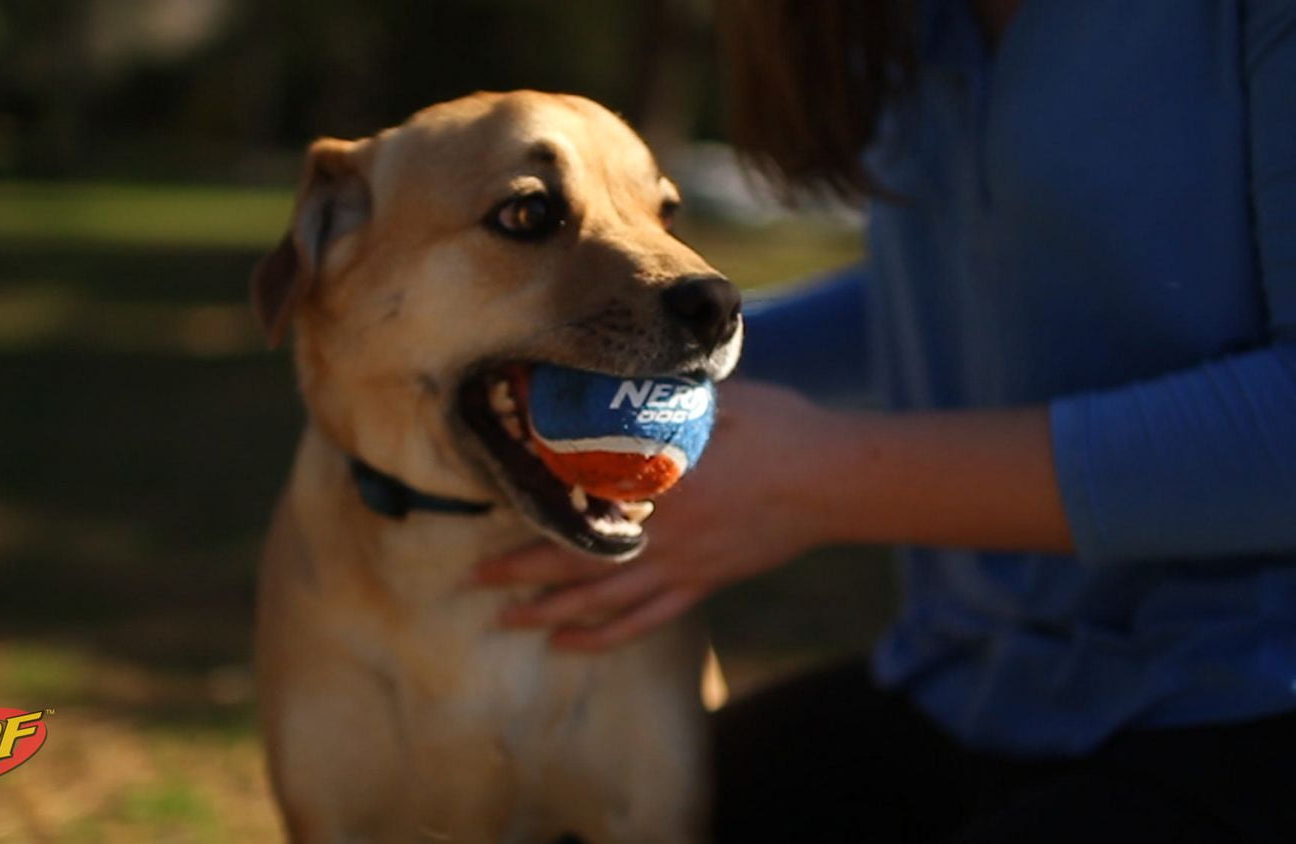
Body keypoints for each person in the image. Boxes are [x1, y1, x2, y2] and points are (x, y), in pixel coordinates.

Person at [472, 0, 1296, 840]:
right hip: (967, 689)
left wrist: (820, 483)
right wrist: (654, 345)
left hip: (1248, 706)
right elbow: (959, 306)